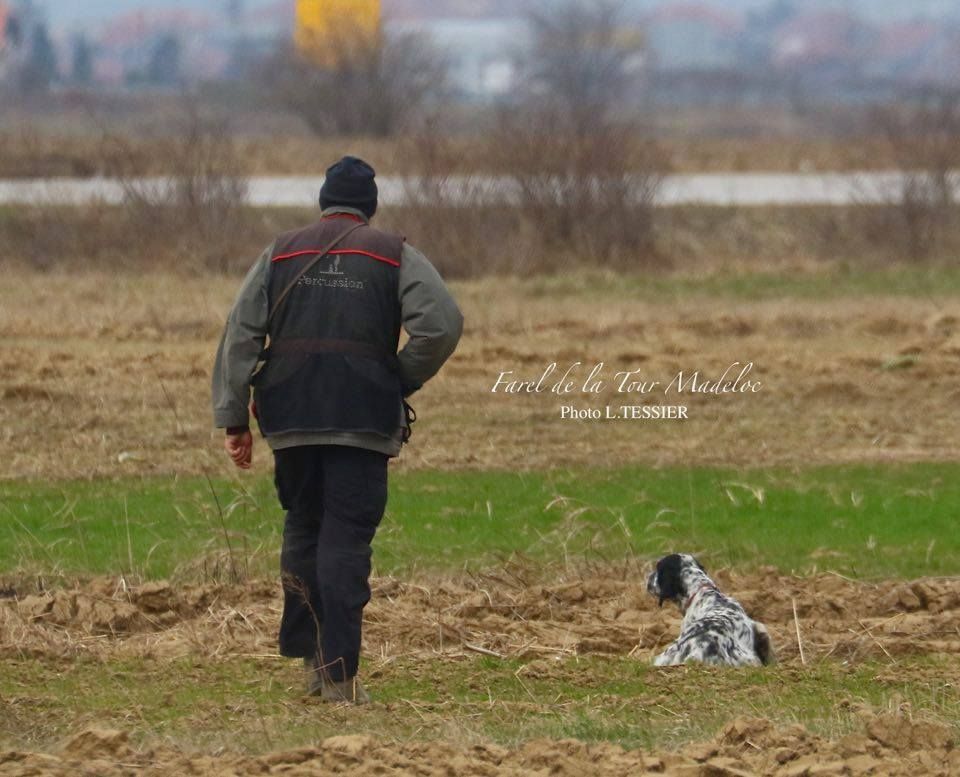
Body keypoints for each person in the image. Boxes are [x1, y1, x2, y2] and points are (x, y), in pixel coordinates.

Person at [211, 156, 463, 703]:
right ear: (369, 208)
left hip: (292, 421)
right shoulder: (394, 253)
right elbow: (442, 326)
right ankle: (340, 678)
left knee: (304, 531)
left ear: (324, 202)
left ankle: (313, 664)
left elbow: (240, 335)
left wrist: (233, 418)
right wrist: (397, 378)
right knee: (345, 542)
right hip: (363, 422)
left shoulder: (280, 251)